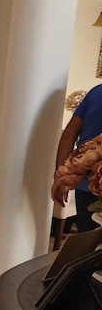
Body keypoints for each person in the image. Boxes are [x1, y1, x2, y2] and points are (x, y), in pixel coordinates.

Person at [51, 84, 102, 232]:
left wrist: (62, 175)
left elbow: (69, 135)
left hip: (87, 183)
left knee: (89, 243)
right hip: (89, 184)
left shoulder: (97, 92)